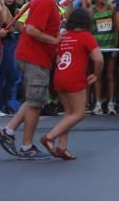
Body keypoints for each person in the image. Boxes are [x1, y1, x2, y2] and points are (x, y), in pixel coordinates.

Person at [0, 0, 65, 160]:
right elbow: (32, 30)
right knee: (35, 103)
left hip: (37, 56)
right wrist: (54, 41)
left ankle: (8, 132)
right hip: (35, 56)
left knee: (34, 100)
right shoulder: (46, 2)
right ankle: (26, 146)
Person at [41, 8, 103, 161]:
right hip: (75, 77)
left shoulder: (64, 36)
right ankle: (50, 137)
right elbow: (99, 59)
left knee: (69, 114)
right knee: (79, 114)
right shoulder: (86, 37)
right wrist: (96, 74)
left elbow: (58, 58)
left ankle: (62, 147)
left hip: (59, 75)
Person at [87, 0, 117, 115]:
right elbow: (88, 30)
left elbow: (116, 28)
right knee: (97, 75)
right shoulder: (90, 11)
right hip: (97, 48)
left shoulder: (112, 9)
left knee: (110, 75)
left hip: (110, 46)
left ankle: (110, 103)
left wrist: (116, 47)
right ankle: (98, 103)